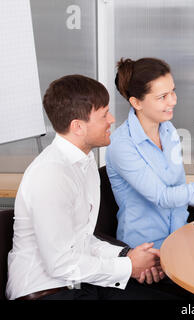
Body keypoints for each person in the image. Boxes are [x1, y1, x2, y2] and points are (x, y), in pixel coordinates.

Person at [6, 74, 180, 300]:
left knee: (176, 294)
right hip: (47, 291)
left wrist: (128, 256)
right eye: (104, 114)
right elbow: (59, 264)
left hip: (81, 280)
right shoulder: (51, 175)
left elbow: (83, 240)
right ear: (77, 126)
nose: (112, 119)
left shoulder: (85, 162)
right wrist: (129, 266)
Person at [106, 57, 194, 250]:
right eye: (162, 97)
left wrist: (182, 240)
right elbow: (163, 197)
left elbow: (178, 188)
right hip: (145, 250)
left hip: (177, 238)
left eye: (173, 91)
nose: (173, 100)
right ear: (136, 102)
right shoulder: (122, 146)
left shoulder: (167, 129)